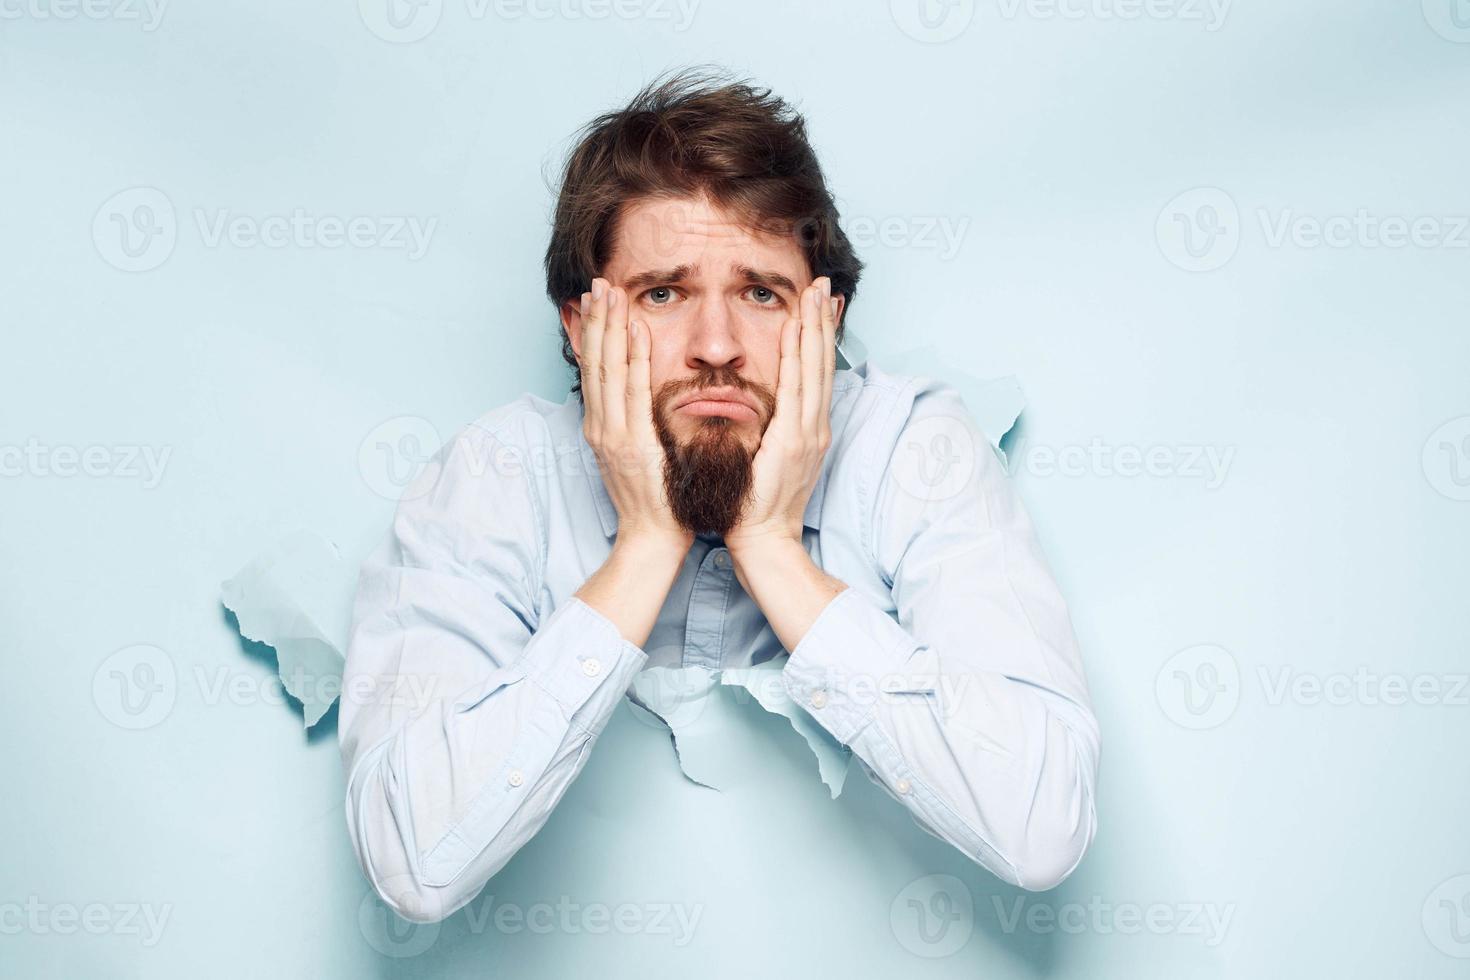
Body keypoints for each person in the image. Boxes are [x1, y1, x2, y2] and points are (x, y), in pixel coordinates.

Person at [339, 67, 1100, 925]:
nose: (716, 347)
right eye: (663, 294)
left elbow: (1042, 829)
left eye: (760, 293)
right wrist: (645, 544)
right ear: (580, 326)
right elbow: (411, 861)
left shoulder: (914, 452)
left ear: (827, 320)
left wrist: (770, 546)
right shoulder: (491, 480)